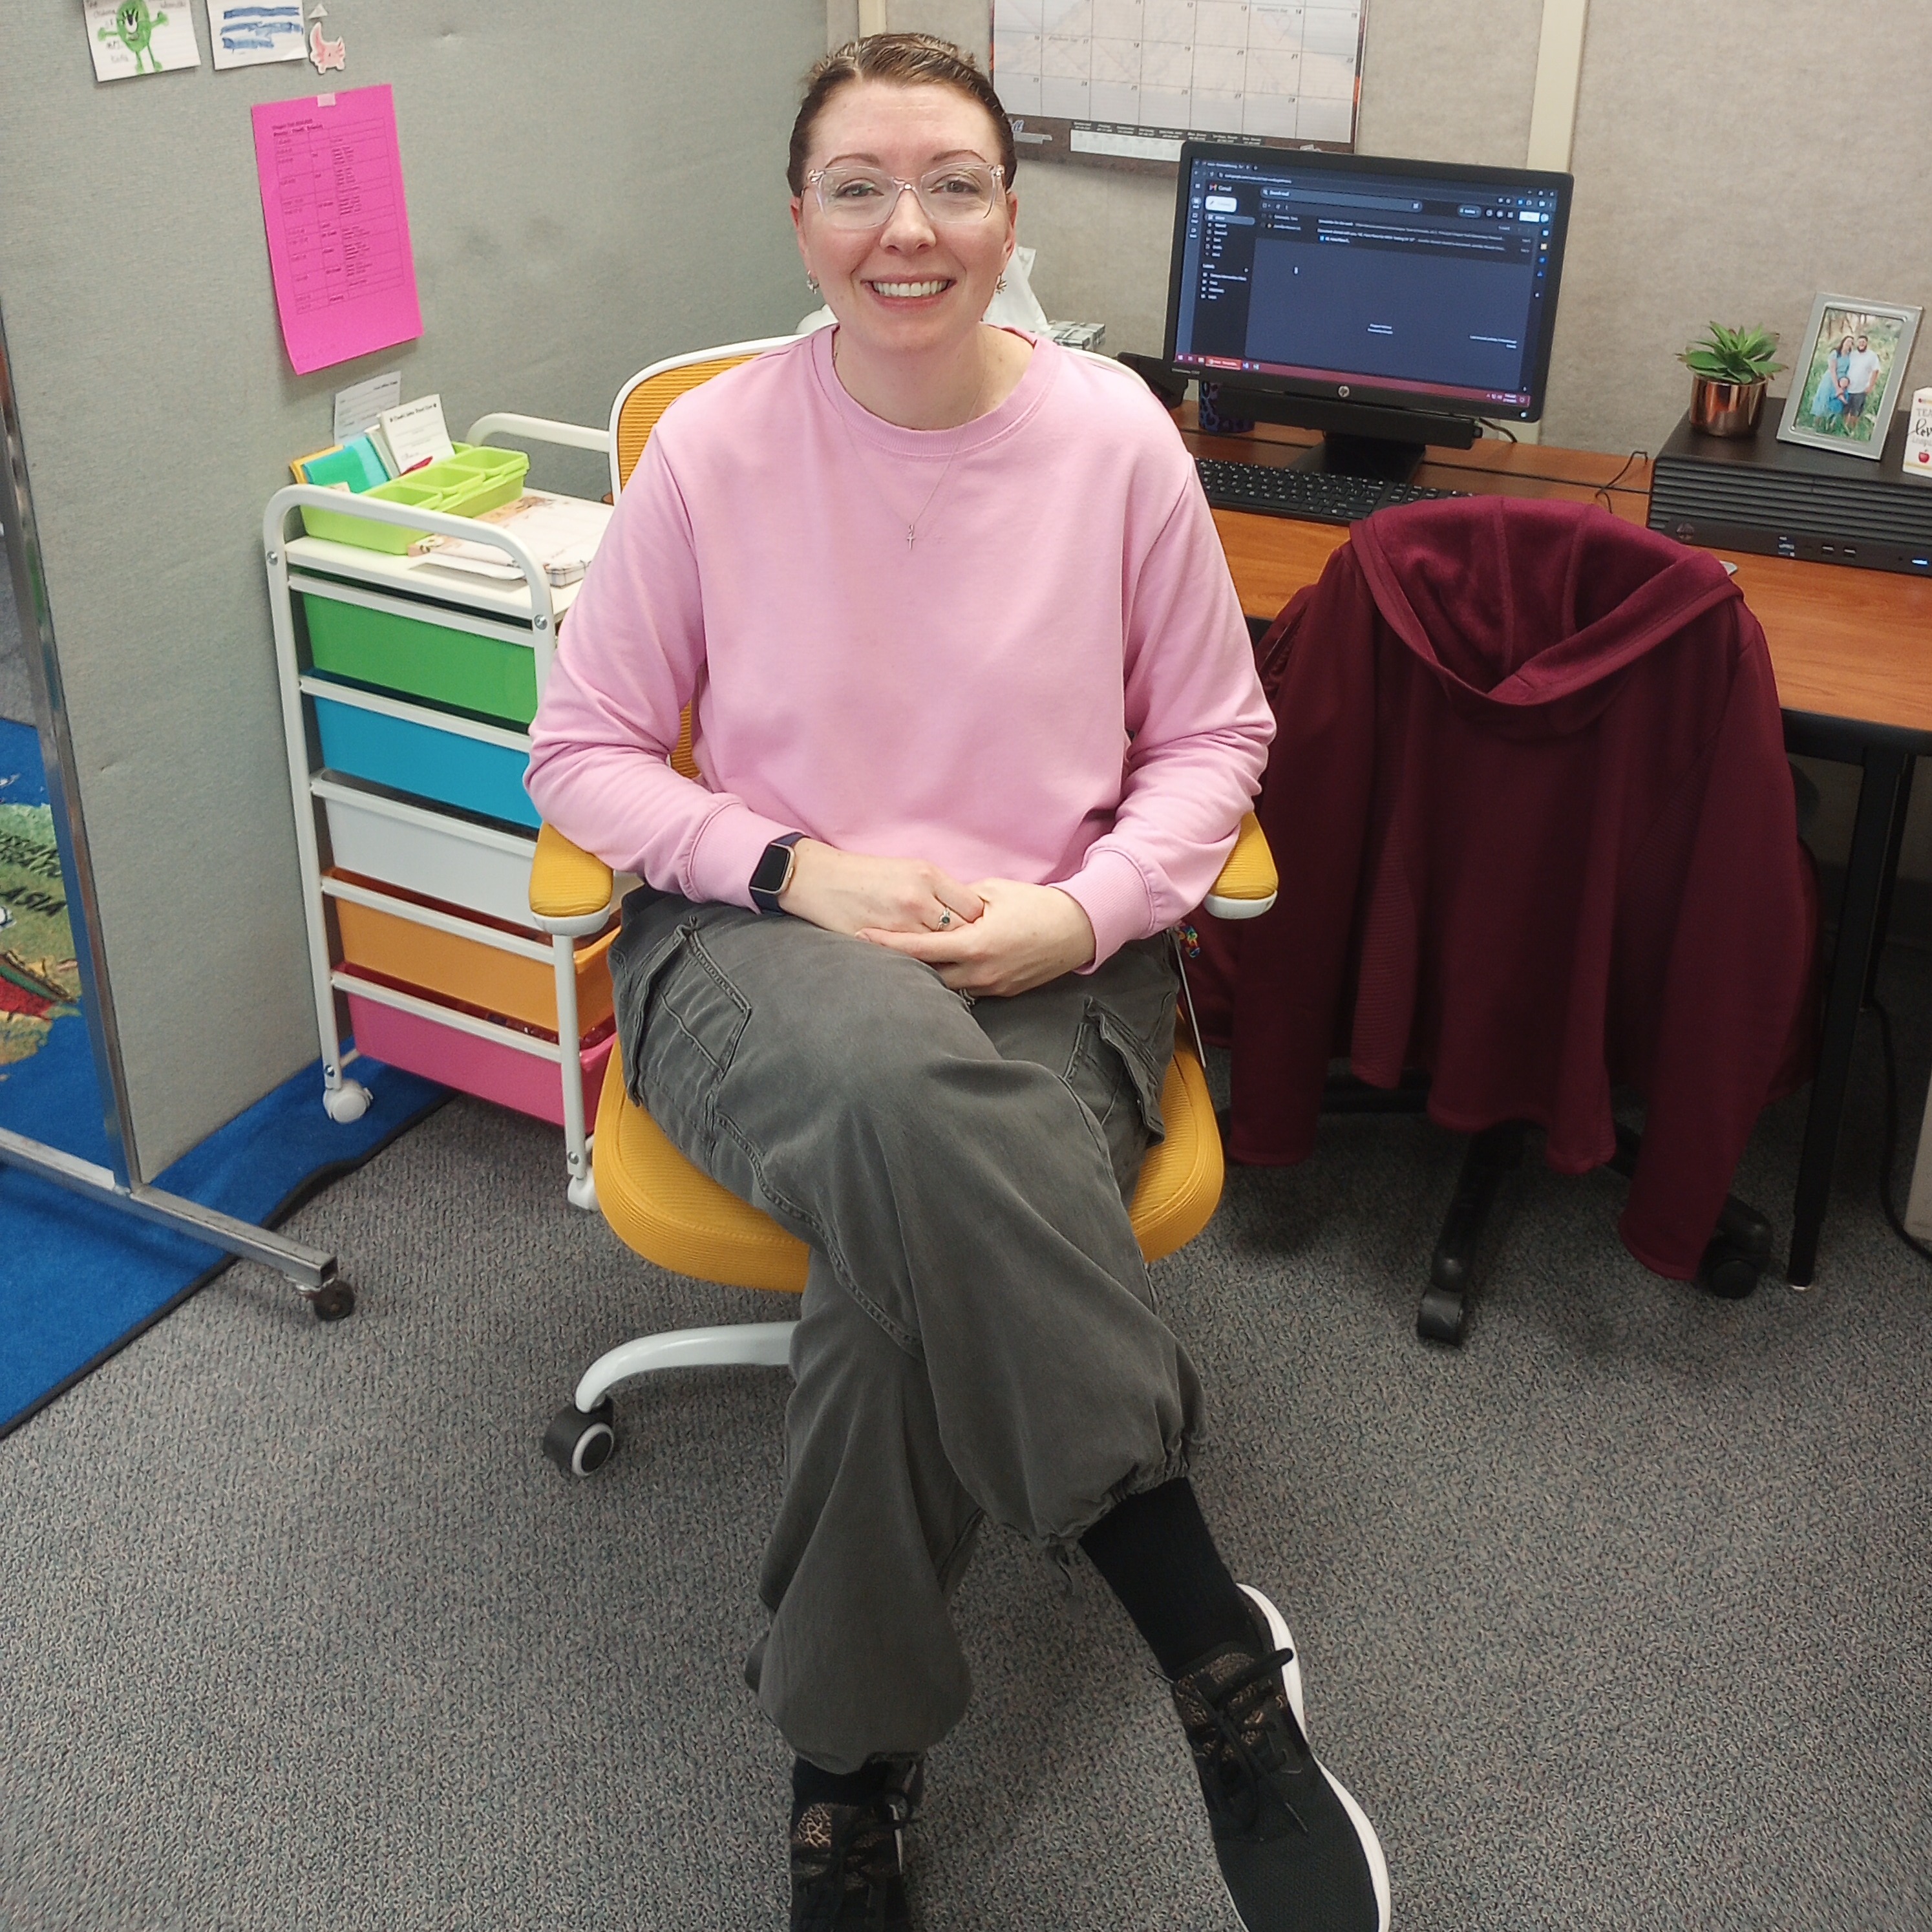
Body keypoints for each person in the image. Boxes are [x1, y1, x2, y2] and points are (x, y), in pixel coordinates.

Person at [526, 32, 1390, 1932]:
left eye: (952, 185)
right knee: (912, 1117)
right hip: (759, 947)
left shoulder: (1114, 442)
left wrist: (1078, 919)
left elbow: (1214, 741)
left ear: (1009, 216)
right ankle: (1209, 1648)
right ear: (799, 217)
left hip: (1042, 963)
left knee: (889, 1276)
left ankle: (847, 1777)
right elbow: (580, 752)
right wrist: (782, 864)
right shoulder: (723, 450)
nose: (904, 229)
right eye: (858, 187)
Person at [1842, 330, 1885, 432]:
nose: (1861, 344)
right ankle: (1842, 430)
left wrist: (1871, 386)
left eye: (1864, 342)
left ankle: (1851, 431)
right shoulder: (1852, 355)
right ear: (1857, 344)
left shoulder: (1872, 356)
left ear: (1867, 344)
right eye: (1860, 342)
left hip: (1861, 390)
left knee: (1855, 413)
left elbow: (1875, 371)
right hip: (1848, 388)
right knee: (1845, 411)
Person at [1809, 334, 1852, 431]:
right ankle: (1816, 425)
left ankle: (1830, 426)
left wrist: (1844, 382)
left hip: (1842, 380)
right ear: (1843, 342)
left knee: (1837, 403)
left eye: (1851, 343)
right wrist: (1837, 387)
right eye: (1848, 341)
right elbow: (1833, 370)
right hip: (1831, 379)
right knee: (1825, 400)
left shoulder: (1849, 356)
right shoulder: (1836, 353)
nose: (1849, 344)